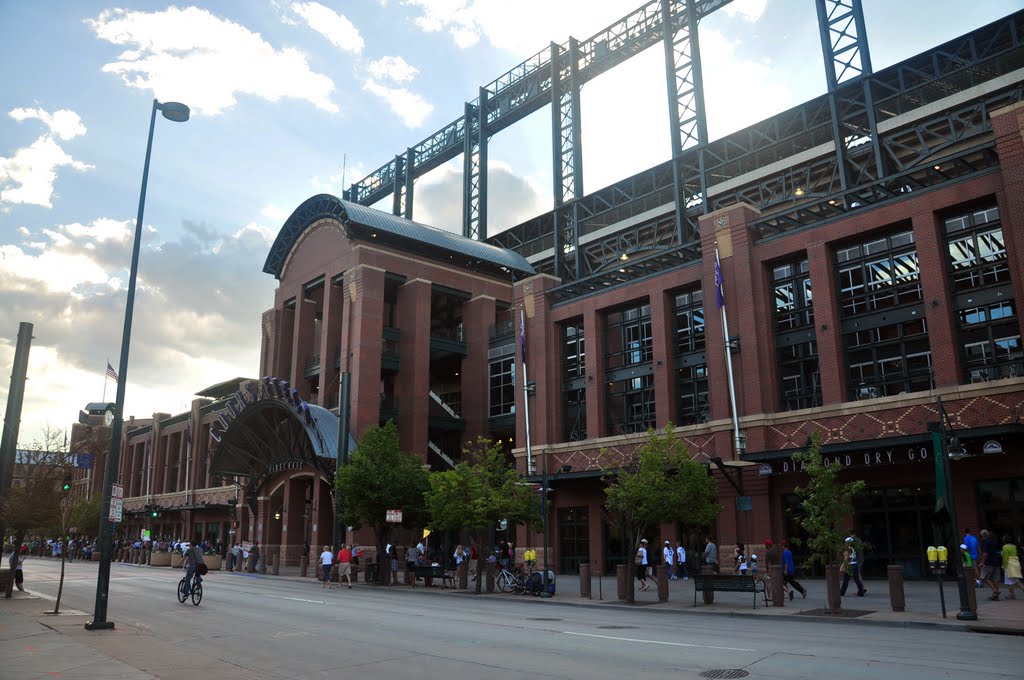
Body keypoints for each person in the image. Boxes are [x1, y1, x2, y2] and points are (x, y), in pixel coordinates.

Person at [840, 531, 866, 597]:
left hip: (849, 565)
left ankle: (842, 593)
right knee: (856, 579)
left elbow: (846, 558)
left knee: (845, 580)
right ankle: (861, 592)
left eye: (846, 542)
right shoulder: (853, 548)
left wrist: (842, 565)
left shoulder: (848, 549)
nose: (845, 543)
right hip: (855, 564)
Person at [979, 529, 1001, 600]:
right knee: (996, 579)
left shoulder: (985, 542)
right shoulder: (994, 541)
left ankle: (995, 591)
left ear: (982, 535)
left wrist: (982, 562)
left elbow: (985, 554)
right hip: (996, 562)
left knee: (984, 578)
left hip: (988, 562)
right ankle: (996, 595)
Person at [1000, 534, 1020, 600]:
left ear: (1004, 540)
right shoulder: (1014, 546)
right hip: (1015, 562)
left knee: (1009, 581)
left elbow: (1005, 558)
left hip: (1009, 564)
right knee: (1016, 580)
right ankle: (1011, 594)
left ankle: (1012, 595)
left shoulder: (1005, 547)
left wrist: (1004, 566)